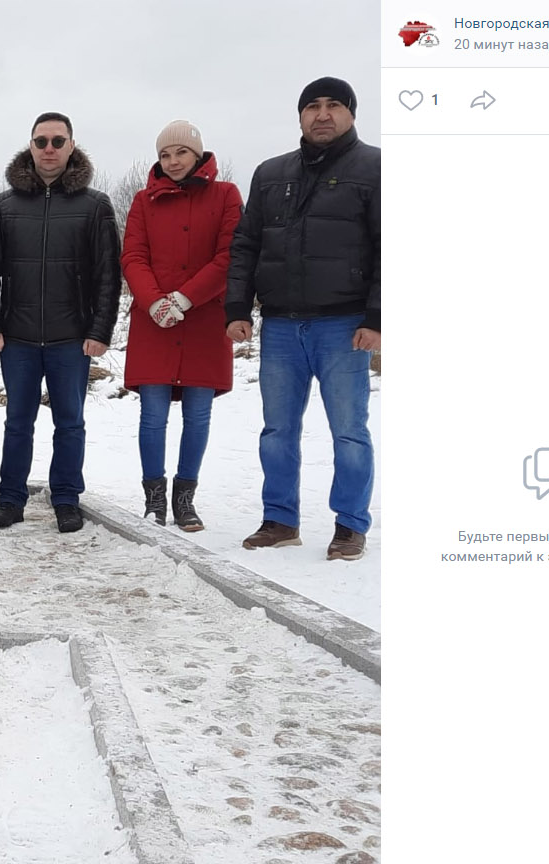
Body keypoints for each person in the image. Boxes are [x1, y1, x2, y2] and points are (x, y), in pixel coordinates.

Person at [226, 77, 380, 561]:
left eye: (334, 105)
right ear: (299, 116)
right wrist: (237, 307)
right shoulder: (271, 174)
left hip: (344, 324)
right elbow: (247, 243)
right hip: (281, 326)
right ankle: (280, 520)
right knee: (277, 429)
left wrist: (377, 317)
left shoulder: (375, 168)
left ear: (351, 114)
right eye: (312, 106)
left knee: (349, 431)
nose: (323, 114)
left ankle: (350, 525)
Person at [0, 111, 122, 534]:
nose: (50, 149)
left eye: (58, 141)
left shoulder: (95, 206)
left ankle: (66, 498)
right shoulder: (4, 206)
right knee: (18, 421)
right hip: (17, 337)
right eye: (42, 142)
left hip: (70, 339)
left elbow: (108, 274)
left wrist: (99, 330)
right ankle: (10, 498)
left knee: (70, 422)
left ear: (72, 146)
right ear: (30, 146)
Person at [121, 121, 242, 532]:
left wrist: (185, 298)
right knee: (152, 415)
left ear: (198, 155)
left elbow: (229, 256)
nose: (172, 162)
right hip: (154, 322)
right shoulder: (142, 202)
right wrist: (155, 301)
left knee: (198, 414)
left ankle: (185, 499)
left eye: (181, 153)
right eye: (164, 155)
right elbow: (133, 257)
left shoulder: (226, 196)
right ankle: (154, 500)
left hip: (204, 320)